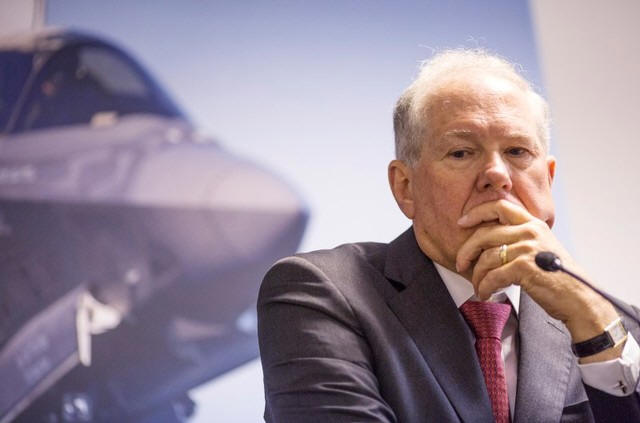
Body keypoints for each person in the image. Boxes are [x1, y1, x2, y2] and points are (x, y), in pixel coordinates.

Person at [257, 49, 640, 422]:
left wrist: (593, 324)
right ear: (405, 186)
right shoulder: (319, 294)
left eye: (517, 151)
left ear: (549, 179)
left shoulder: (617, 325)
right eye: (461, 153)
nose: (497, 174)